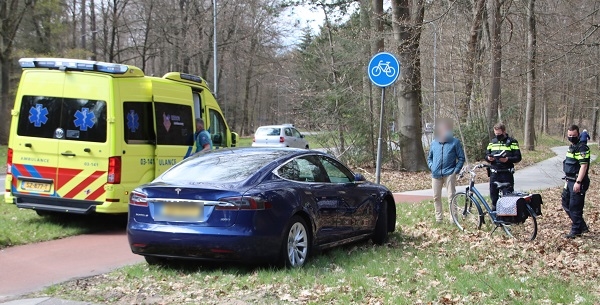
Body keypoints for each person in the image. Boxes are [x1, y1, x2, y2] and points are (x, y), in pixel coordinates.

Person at [427, 119, 466, 223]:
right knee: (436, 197)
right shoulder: (434, 143)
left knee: (451, 197)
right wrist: (431, 166)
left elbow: (461, 158)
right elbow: (429, 158)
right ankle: (439, 219)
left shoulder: (455, 142)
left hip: (450, 173)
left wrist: (456, 170)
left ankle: (453, 219)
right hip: (436, 174)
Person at [562, 124, 591, 239]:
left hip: (577, 181)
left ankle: (576, 230)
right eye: (569, 135)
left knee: (575, 207)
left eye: (574, 135)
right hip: (568, 180)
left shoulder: (582, 148)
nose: (571, 137)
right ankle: (582, 226)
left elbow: (583, 166)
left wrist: (578, 182)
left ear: (578, 134)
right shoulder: (572, 147)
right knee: (565, 203)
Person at [485, 123, 522, 209]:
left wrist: (507, 159)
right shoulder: (492, 142)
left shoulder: (512, 142)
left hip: (506, 173)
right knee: (494, 196)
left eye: (499, 134)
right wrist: (489, 158)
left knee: (508, 197)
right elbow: (486, 154)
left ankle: (508, 218)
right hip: (494, 173)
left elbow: (518, 157)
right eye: (496, 134)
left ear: (504, 131)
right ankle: (495, 216)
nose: (497, 135)